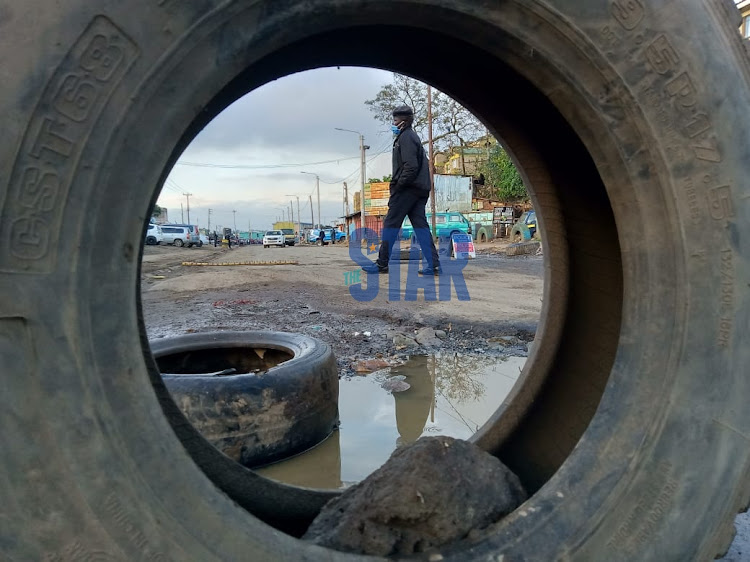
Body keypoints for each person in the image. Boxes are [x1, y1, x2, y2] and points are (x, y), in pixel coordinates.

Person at [362, 104, 440, 275]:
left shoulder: (406, 138)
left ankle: (382, 264)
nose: (393, 123)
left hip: (408, 189)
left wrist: (398, 186)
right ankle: (433, 265)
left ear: (403, 122)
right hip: (419, 189)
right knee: (421, 227)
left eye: (395, 120)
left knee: (390, 224)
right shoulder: (410, 137)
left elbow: (410, 167)